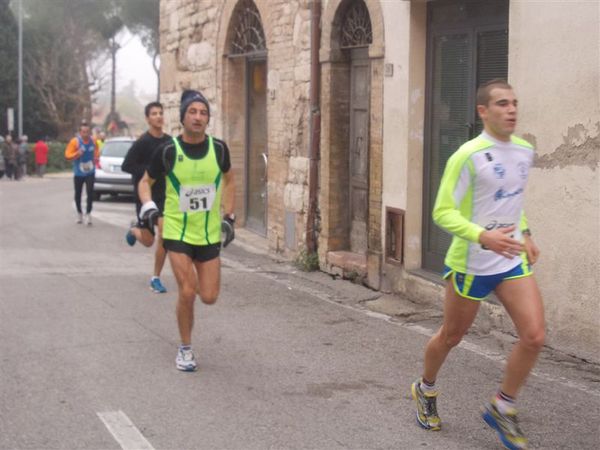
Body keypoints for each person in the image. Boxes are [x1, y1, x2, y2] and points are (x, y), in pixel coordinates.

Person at [411, 79, 544, 450]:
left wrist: (527, 232)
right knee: (452, 336)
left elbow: (510, 200)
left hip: (510, 259)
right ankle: (425, 388)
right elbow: (442, 211)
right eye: (502, 103)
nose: (512, 109)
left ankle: (503, 405)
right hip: (470, 263)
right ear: (483, 111)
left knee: (534, 336)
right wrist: (482, 236)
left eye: (515, 102)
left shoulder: (523, 151)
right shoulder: (466, 156)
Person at [138, 89, 236, 372]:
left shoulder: (219, 149)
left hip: (208, 234)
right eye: (192, 112)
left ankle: (186, 338)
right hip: (176, 231)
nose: (198, 117)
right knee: (188, 290)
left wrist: (229, 216)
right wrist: (149, 208)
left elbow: (230, 180)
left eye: (203, 112)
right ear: (183, 117)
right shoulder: (168, 151)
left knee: (209, 296)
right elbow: (145, 182)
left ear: (208, 119)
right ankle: (185, 348)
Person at [122, 102, 172, 293]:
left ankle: (155, 278)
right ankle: (134, 230)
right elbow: (126, 165)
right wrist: (149, 172)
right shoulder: (143, 142)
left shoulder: (169, 141)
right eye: (154, 113)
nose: (158, 116)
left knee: (165, 235)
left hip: (164, 195)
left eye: (161, 113)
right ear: (147, 119)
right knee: (149, 240)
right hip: (145, 195)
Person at [64, 121, 99, 225]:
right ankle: (79, 213)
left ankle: (88, 214)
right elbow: (67, 155)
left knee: (90, 193)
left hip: (90, 172)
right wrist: (77, 154)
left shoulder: (93, 140)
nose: (85, 134)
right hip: (79, 173)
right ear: (80, 132)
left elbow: (96, 151)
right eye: (83, 132)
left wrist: (96, 158)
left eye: (87, 132)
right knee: (78, 194)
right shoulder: (75, 142)